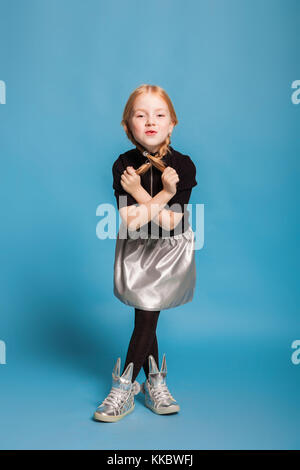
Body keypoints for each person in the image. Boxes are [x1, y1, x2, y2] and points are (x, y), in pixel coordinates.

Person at [93, 84, 197, 423]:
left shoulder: (183, 164)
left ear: (172, 124)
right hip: (137, 248)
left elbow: (170, 223)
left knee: (146, 314)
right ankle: (154, 381)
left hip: (169, 250)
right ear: (128, 127)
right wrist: (145, 190)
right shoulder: (123, 164)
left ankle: (124, 386)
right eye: (141, 115)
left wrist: (156, 194)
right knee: (146, 314)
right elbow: (129, 221)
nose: (150, 120)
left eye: (159, 114)